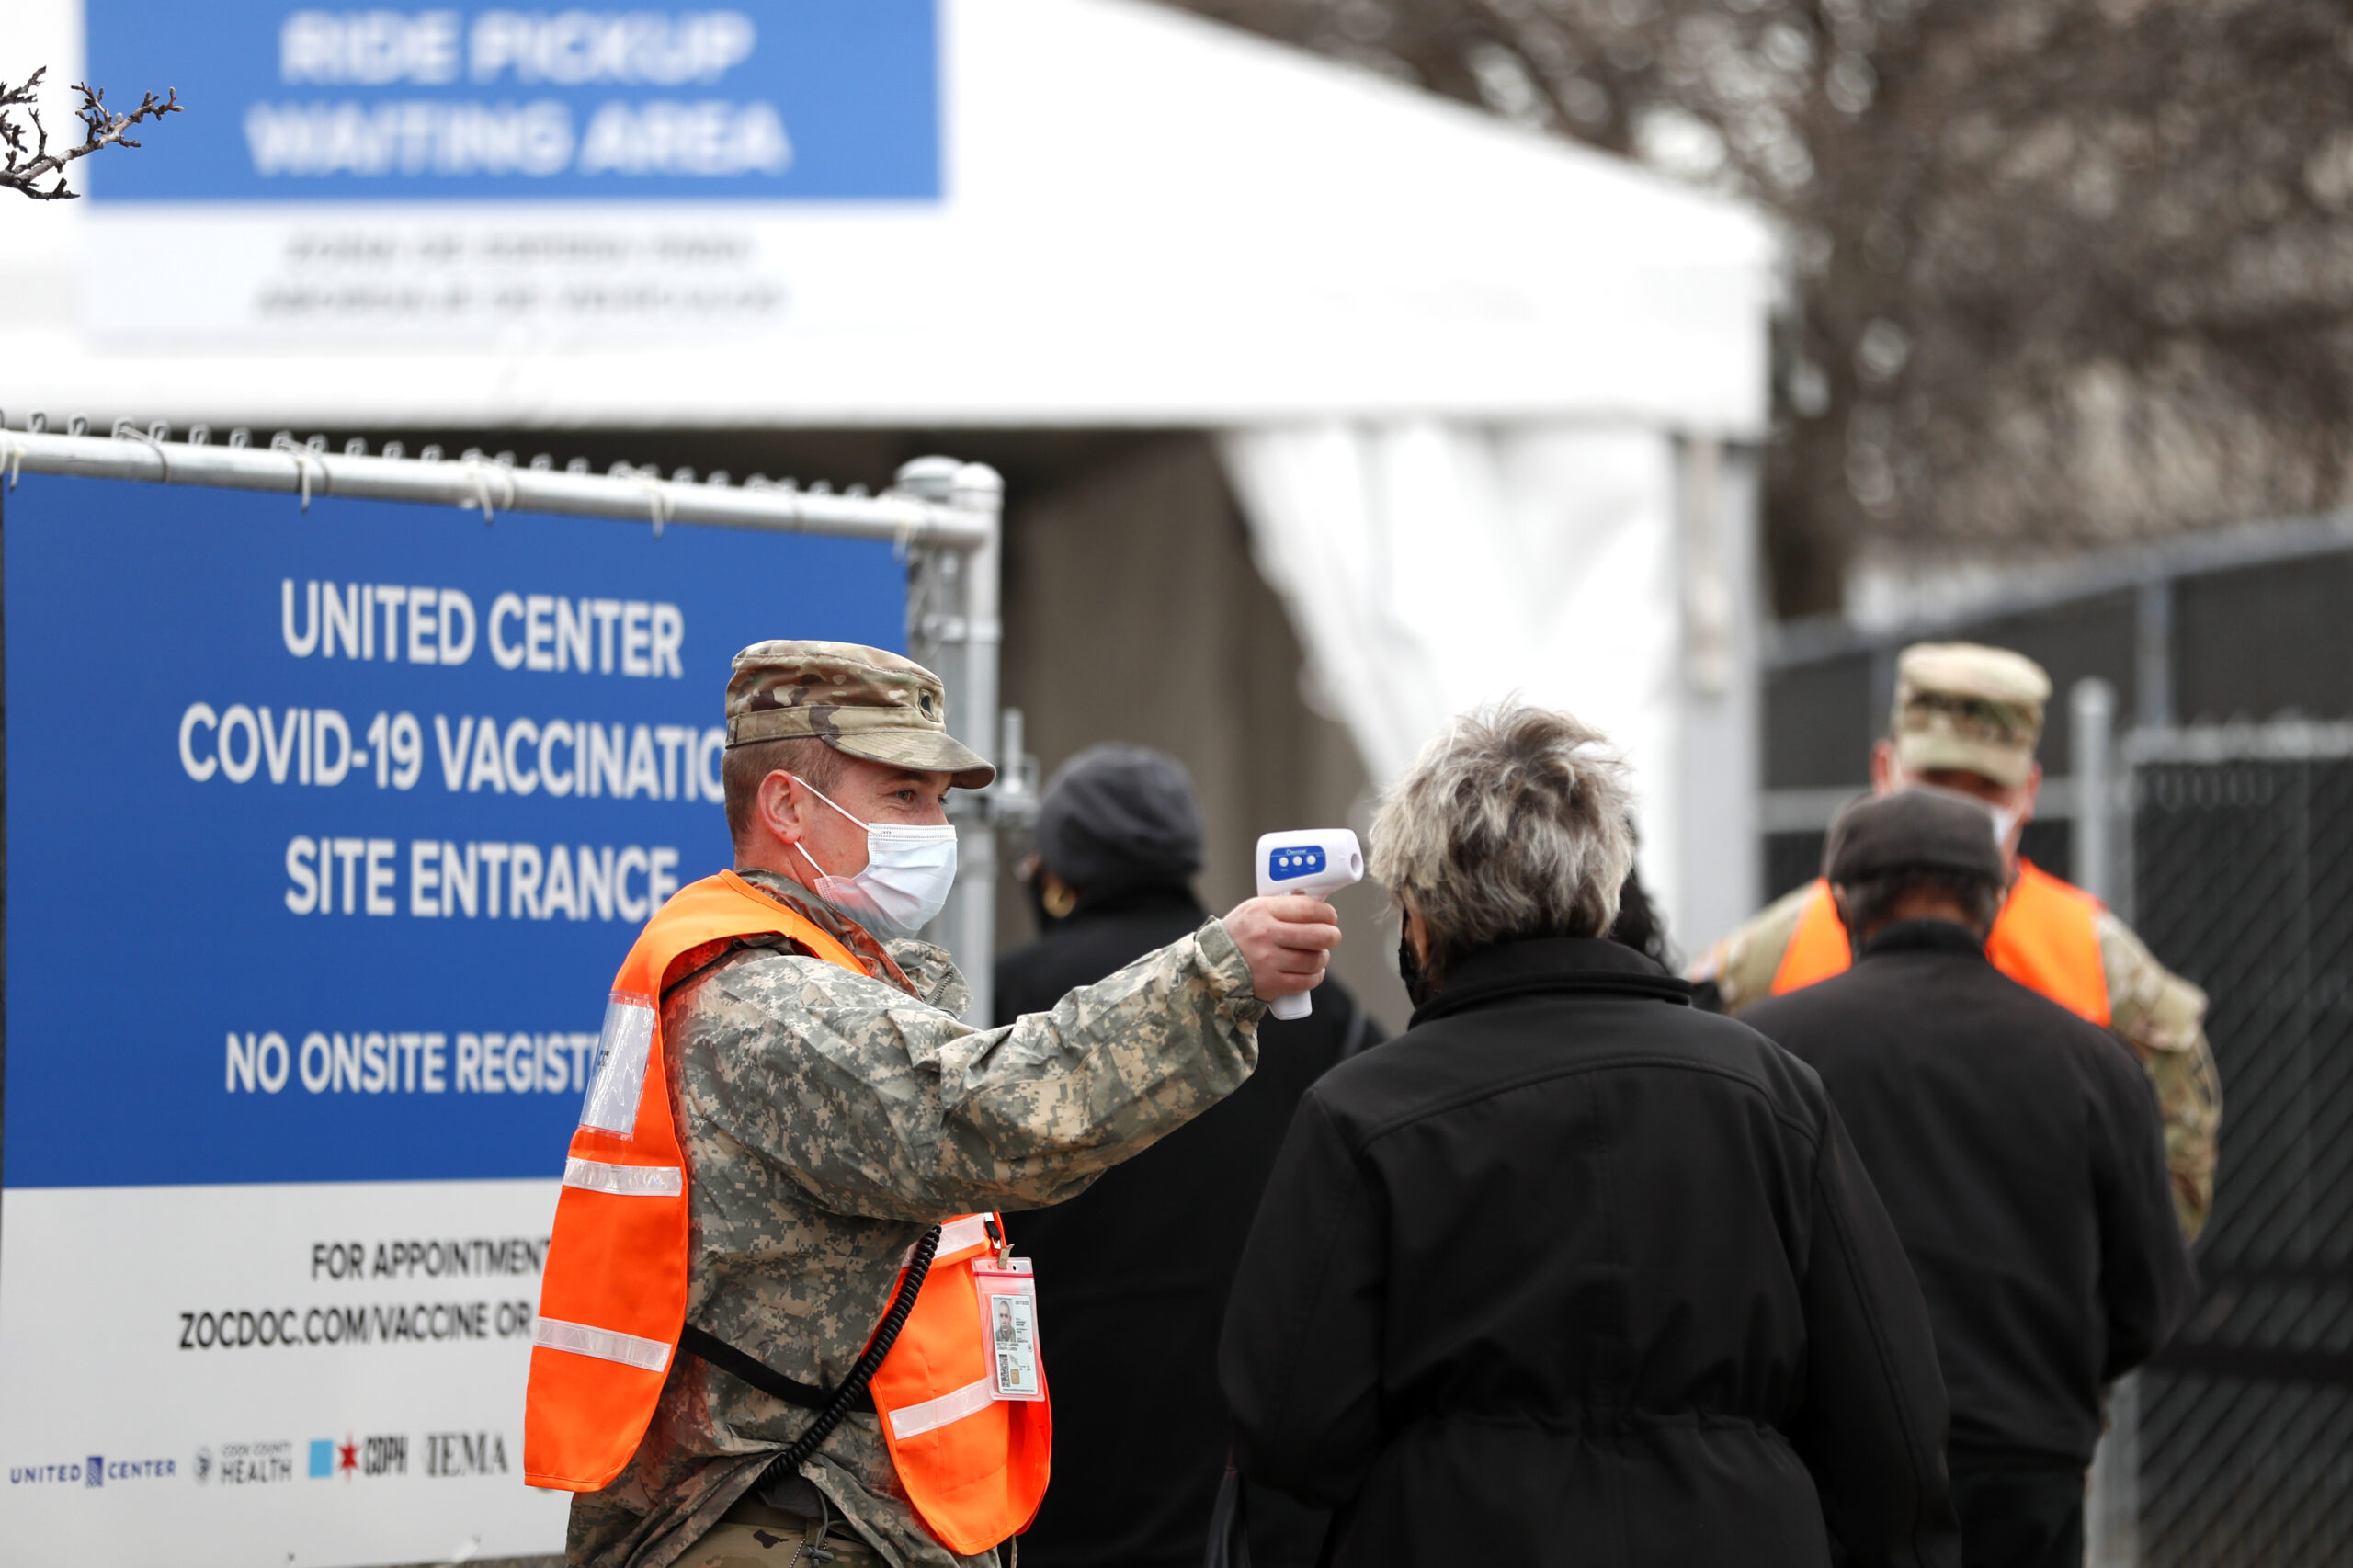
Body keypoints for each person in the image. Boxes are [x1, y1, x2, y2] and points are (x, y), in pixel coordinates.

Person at [523, 642, 1344, 1568]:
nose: (936, 827)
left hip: (822, 1515)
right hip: (787, 1517)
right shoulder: (769, 1001)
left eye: (940, 800)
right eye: (904, 795)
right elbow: (985, 1115)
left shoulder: (811, 973)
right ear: (786, 806)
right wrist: (1214, 974)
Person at [1220, 702, 1961, 1568]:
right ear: (1604, 885)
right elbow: (1889, 1412)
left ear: (1420, 915)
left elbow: (1289, 1432)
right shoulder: (1770, 1095)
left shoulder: (1362, 1115)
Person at [1742, 790, 2194, 1568]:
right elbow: (2148, 1299)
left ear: (1841, 904)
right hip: (2027, 1465)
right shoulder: (2094, 1064)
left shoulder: (1762, 1055)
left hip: (1825, 1470)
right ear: (1996, 902)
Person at [992, 744, 1382, 1568]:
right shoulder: (1308, 1003)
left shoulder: (1003, 998)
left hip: (1052, 1435)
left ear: (1055, 873)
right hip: (1240, 1441)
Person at [1688, 641, 2222, 1241]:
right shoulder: (1780, 950)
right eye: (1937, 780)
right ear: (1884, 771)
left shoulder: (2096, 960)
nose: (1960, 812)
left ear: (2029, 792)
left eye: (1987, 787)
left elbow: (2178, 1173)